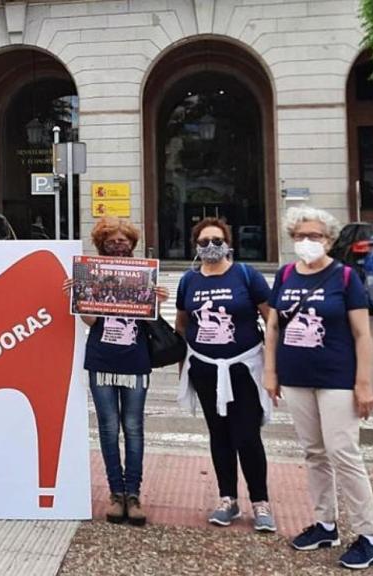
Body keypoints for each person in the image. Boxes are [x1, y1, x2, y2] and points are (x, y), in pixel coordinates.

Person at [264, 206, 373, 570]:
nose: (306, 242)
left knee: (343, 453)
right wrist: (271, 373)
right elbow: (273, 328)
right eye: (300, 236)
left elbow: (363, 335)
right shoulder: (285, 274)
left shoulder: (345, 278)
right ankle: (325, 523)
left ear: (329, 240)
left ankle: (370, 536)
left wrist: (363, 384)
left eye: (314, 236)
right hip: (297, 377)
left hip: (337, 379)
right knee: (314, 453)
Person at [64, 217, 168, 526]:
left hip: (135, 359)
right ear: (101, 246)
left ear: (133, 245)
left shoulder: (143, 276)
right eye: (111, 242)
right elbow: (91, 323)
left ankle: (134, 494)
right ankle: (116, 493)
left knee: (134, 428)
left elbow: (151, 323)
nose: (118, 246)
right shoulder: (93, 275)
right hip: (102, 360)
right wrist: (80, 296)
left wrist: (156, 300)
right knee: (109, 429)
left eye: (123, 241)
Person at [174, 218, 276, 532]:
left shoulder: (247, 275)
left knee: (246, 436)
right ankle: (227, 499)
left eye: (216, 240)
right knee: (219, 435)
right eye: (203, 242)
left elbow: (271, 320)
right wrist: (184, 369)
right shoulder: (188, 281)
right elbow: (181, 324)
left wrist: (273, 366)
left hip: (244, 368)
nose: (210, 247)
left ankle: (261, 502)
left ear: (228, 243)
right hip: (204, 369)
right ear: (196, 246)